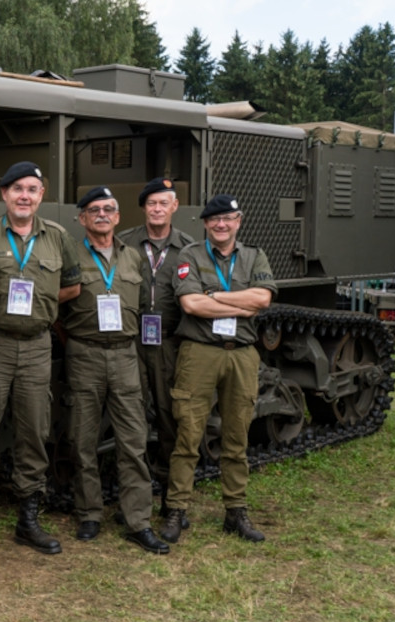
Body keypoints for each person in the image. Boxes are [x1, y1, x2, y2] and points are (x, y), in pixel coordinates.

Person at [0, 161, 81, 557]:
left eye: (33, 189)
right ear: (4, 194)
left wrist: (37, 304)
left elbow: (71, 287)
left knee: (34, 430)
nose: (25, 196)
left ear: (41, 196)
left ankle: (29, 517)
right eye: (17, 188)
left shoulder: (57, 237)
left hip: (38, 345)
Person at [58, 186, 169, 554]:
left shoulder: (133, 257)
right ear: (82, 219)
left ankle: (137, 520)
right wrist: (73, 339)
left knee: (133, 440)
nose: (102, 215)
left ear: (118, 217)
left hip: (124, 355)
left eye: (108, 209)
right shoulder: (69, 253)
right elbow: (55, 306)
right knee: (82, 440)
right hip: (84, 354)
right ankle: (89, 513)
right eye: (94, 210)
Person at [162, 194, 276, 544]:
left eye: (228, 218)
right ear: (206, 224)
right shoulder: (190, 254)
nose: (222, 224)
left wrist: (214, 296)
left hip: (241, 354)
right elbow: (191, 304)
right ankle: (176, 510)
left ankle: (235, 511)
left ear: (238, 221)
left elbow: (263, 299)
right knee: (188, 435)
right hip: (200, 353)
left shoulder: (254, 255)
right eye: (215, 219)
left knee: (237, 435)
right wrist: (239, 304)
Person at [117, 178, 194, 520]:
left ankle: (170, 497)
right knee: (130, 418)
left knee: (168, 418)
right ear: (144, 208)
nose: (157, 209)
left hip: (169, 342)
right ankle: (134, 497)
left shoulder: (189, 249)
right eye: (151, 204)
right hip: (131, 339)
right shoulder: (126, 243)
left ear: (174, 206)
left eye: (164, 203)